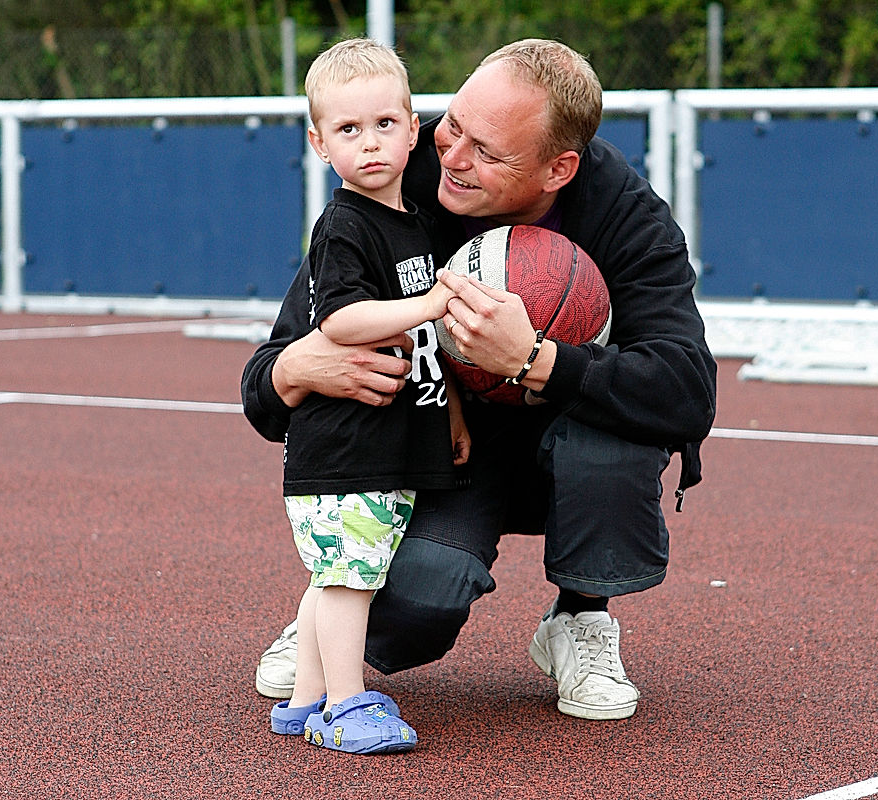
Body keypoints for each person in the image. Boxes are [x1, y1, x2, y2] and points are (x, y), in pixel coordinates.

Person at [243, 38, 716, 722]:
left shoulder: (622, 214)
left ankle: (580, 617)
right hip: (447, 452)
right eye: (452, 125)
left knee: (612, 439)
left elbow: (686, 390)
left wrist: (534, 359)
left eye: (487, 152)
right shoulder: (394, 172)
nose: (452, 155)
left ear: (559, 168)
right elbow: (263, 386)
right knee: (418, 603)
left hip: (566, 441)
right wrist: (293, 368)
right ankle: (337, 601)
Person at [266, 38, 470, 754]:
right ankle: (346, 706)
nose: (371, 143)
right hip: (344, 452)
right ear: (320, 144)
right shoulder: (345, 225)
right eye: (348, 130)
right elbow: (342, 322)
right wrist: (433, 304)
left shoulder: (411, 221)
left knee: (335, 576)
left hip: (382, 447)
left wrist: (449, 408)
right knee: (351, 582)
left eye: (385, 124)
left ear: (414, 130)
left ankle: (305, 698)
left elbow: (420, 352)